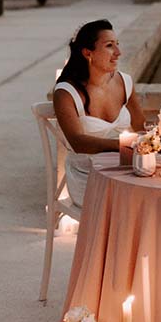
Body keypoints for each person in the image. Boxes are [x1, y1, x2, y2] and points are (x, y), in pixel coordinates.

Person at [53, 19, 145, 206]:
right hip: (87, 176)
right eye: (109, 46)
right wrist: (124, 146)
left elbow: (142, 127)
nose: (118, 53)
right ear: (88, 53)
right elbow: (78, 142)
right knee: (136, 203)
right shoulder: (66, 92)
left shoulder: (125, 82)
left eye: (117, 45)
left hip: (126, 169)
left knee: (159, 194)